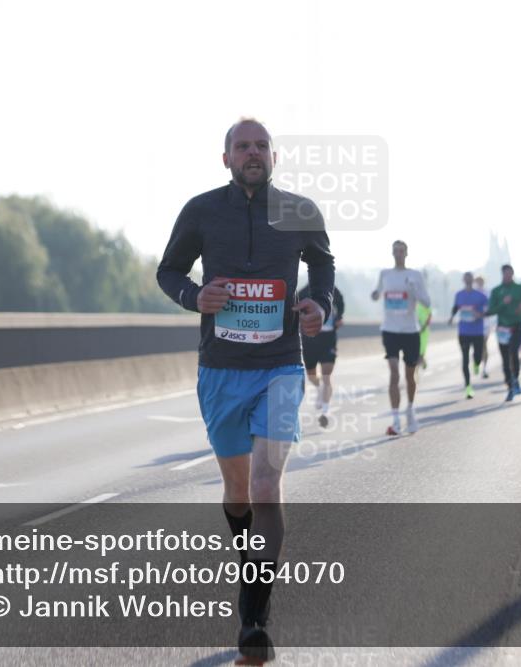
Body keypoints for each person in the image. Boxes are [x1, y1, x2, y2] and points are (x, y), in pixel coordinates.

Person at [156, 118, 334, 664]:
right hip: (221, 370)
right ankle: (252, 569)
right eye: (242, 146)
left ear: (274, 157)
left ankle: (253, 616)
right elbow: (168, 270)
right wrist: (194, 295)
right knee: (237, 492)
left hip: (280, 366)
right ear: (226, 157)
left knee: (264, 486)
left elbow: (323, 264)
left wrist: (318, 303)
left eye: (261, 146)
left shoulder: (300, 211)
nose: (252, 153)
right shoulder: (201, 210)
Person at [371, 240, 430, 435]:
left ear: (407, 253)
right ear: (392, 253)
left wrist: (413, 290)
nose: (398, 254)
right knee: (394, 373)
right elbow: (377, 294)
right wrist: (374, 294)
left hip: (410, 331)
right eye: (395, 250)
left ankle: (410, 410)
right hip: (390, 330)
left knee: (410, 376)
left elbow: (427, 302)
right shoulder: (385, 274)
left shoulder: (415, 275)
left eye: (401, 251)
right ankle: (395, 420)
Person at [486, 264, 521, 402]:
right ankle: (510, 386)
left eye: (510, 274)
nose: (508, 276)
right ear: (502, 274)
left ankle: (515, 380)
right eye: (505, 274)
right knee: (505, 359)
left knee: (513, 353)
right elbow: (491, 311)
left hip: (516, 327)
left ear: (513, 274)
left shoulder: (520, 289)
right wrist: (503, 303)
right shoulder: (497, 291)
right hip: (502, 328)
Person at [299, 284, 344, 427]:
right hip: (310, 339)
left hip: (328, 338)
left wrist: (339, 317)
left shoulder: (332, 289)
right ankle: (319, 389)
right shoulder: (304, 292)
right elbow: (295, 309)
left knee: (326, 374)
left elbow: (341, 303)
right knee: (311, 374)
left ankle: (325, 411)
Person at [448, 271, 488, 399]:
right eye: (466, 279)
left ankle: (477, 364)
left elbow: (489, 310)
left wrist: (480, 314)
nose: (468, 281)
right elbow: (456, 307)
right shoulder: (459, 295)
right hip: (464, 332)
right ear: (463, 280)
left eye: (470, 279)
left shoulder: (480, 296)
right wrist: (451, 317)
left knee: (477, 356)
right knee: (465, 359)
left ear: (473, 280)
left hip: (477, 331)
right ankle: (468, 387)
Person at [474, 275, 491, 379]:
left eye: (481, 281)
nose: (480, 283)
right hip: (474, 324)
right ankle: (476, 363)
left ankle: (484, 368)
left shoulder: (487, 293)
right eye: (478, 281)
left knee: (484, 346)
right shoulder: (473, 293)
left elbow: (490, 308)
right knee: (477, 347)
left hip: (485, 324)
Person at [416, 299, 433, 370]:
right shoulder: (414, 303)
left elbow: (430, 315)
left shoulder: (426, 303)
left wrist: (424, 326)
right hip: (415, 329)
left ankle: (422, 361)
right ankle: (420, 361)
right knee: (415, 350)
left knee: (421, 350)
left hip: (424, 331)